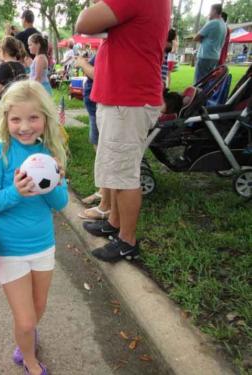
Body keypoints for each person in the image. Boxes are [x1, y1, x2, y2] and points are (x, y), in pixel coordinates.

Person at [0, 80, 68, 375]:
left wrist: (53, 180)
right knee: (27, 319)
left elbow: (60, 202)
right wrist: (16, 192)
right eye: (16, 119)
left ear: (45, 117)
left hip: (43, 245)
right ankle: (29, 358)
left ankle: (26, 339)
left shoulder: (50, 152)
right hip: (11, 248)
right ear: (5, 119)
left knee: (38, 307)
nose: (25, 126)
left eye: (33, 118)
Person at [76, 0, 170, 262]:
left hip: (128, 101)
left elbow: (84, 22)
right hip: (122, 99)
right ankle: (114, 223)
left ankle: (127, 241)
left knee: (124, 175)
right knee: (115, 171)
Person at [74, 50, 112, 221]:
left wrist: (82, 63)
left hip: (102, 104)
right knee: (99, 151)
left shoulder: (114, 43)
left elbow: (99, 75)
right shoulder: (106, 45)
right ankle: (103, 192)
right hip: (95, 106)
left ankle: (106, 203)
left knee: (104, 154)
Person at [193, 4, 227, 83]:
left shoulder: (213, 23)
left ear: (214, 11)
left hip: (205, 56)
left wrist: (208, 21)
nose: (209, 13)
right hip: (215, 57)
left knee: (199, 83)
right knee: (208, 82)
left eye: (210, 11)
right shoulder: (224, 25)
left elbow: (196, 37)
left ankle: (199, 95)